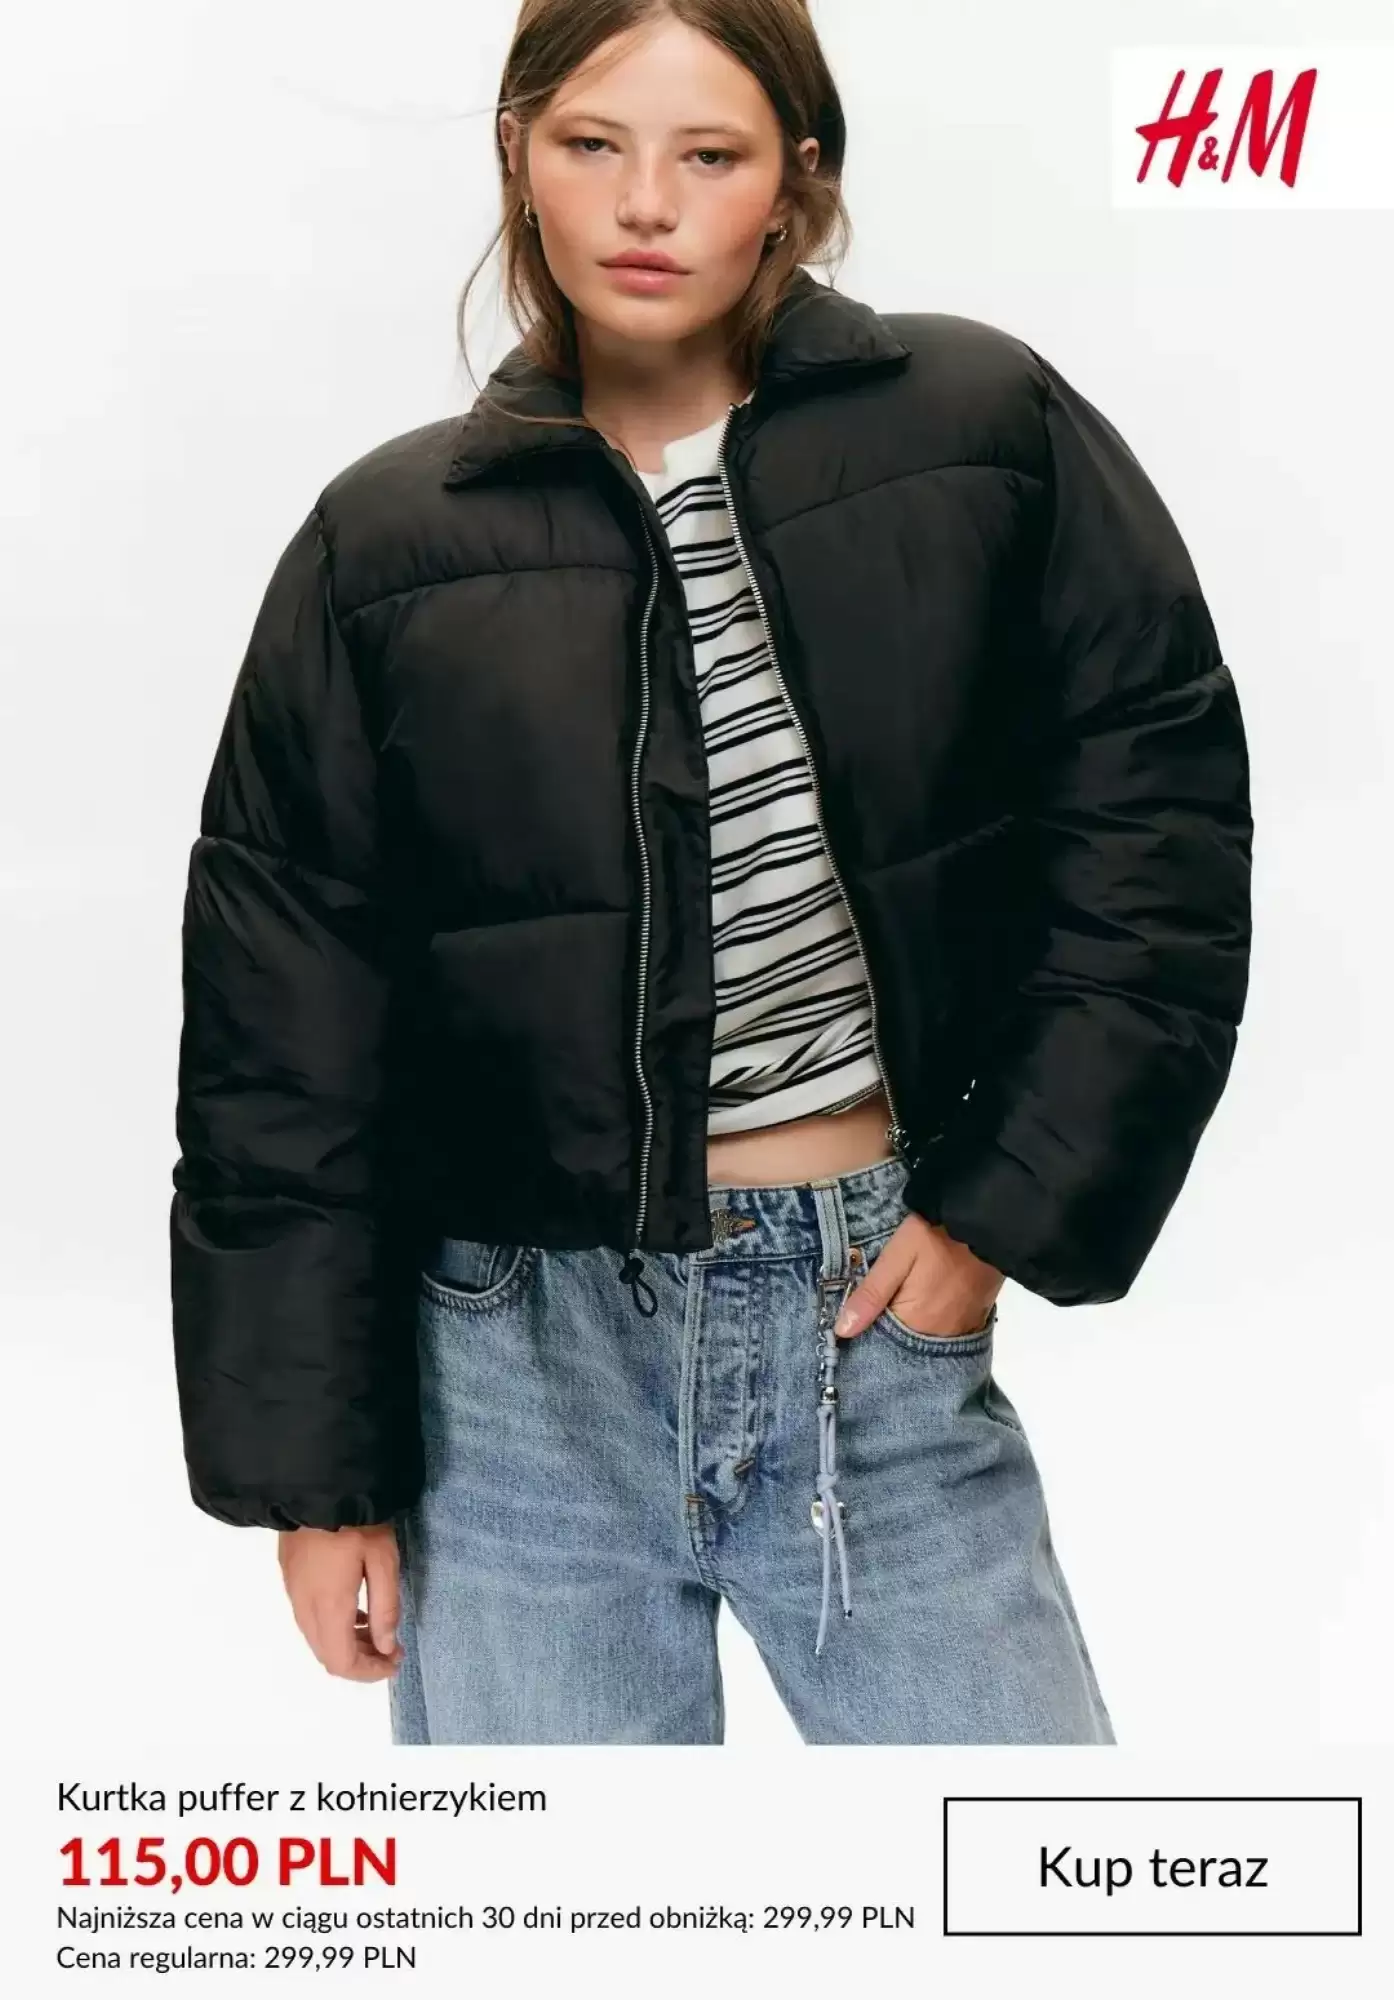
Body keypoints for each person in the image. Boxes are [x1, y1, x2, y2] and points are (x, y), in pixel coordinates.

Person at [169, 0, 1252, 1745]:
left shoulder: (980, 426)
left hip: (868, 1318)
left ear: (794, 179)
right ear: (518, 154)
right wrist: (316, 1476)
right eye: (592, 144)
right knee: (564, 1890)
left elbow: (1157, 822)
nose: (644, 204)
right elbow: (280, 1034)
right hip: (507, 1361)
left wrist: (1002, 1208)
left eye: (711, 154)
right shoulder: (385, 544)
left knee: (1018, 1869)